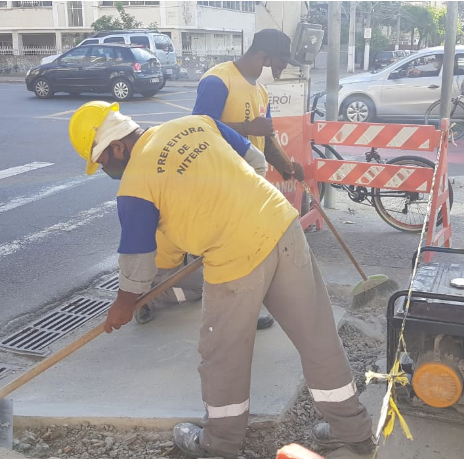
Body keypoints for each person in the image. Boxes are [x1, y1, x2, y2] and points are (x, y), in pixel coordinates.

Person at [68, 102, 377, 459]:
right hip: (280, 223)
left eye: (103, 161)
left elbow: (137, 261)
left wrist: (123, 306)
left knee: (223, 357)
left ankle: (220, 446)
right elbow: (257, 164)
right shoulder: (196, 123)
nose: (108, 169)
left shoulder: (136, 185)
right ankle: (354, 433)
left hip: (234, 258)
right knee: (318, 337)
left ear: (117, 147)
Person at [135, 28, 301, 328]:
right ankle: (156, 295)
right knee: (232, 255)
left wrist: (288, 166)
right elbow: (197, 128)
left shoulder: (261, 91)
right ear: (264, 56)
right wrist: (247, 127)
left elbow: (267, 137)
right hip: (216, 187)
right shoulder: (218, 80)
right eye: (279, 61)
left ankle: (237, 307)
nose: (282, 68)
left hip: (246, 186)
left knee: (244, 252)